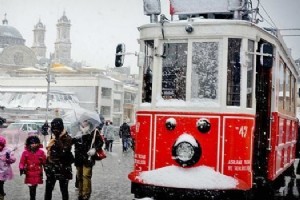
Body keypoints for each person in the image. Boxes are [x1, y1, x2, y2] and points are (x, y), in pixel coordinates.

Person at [72, 120, 103, 200]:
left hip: (88, 157)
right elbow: (72, 142)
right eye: (83, 121)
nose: (84, 122)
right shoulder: (77, 131)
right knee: (79, 176)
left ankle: (86, 194)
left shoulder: (93, 131)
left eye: (86, 121)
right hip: (78, 157)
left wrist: (95, 149)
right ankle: (80, 193)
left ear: (89, 122)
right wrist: (75, 138)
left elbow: (100, 142)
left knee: (86, 176)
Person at [44, 118, 74, 200]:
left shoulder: (67, 138)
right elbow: (50, 153)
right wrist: (46, 166)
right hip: (51, 167)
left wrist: (58, 140)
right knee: (48, 189)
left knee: (64, 190)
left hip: (63, 167)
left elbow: (64, 151)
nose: (54, 130)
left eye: (57, 128)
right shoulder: (52, 137)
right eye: (53, 128)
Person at [19, 135, 47, 200]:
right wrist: (21, 167)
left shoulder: (41, 152)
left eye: (35, 143)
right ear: (29, 144)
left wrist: (47, 169)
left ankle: (32, 197)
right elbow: (22, 162)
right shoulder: (25, 153)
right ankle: (32, 198)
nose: (34, 145)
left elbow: (45, 163)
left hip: (38, 173)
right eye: (32, 143)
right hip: (29, 173)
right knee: (32, 188)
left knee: (34, 187)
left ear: (38, 143)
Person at [0, 136, 16, 200]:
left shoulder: (8, 150)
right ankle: (1, 194)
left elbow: (13, 160)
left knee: (0, 182)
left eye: (1, 145)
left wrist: (8, 157)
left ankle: (1, 195)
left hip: (4, 170)